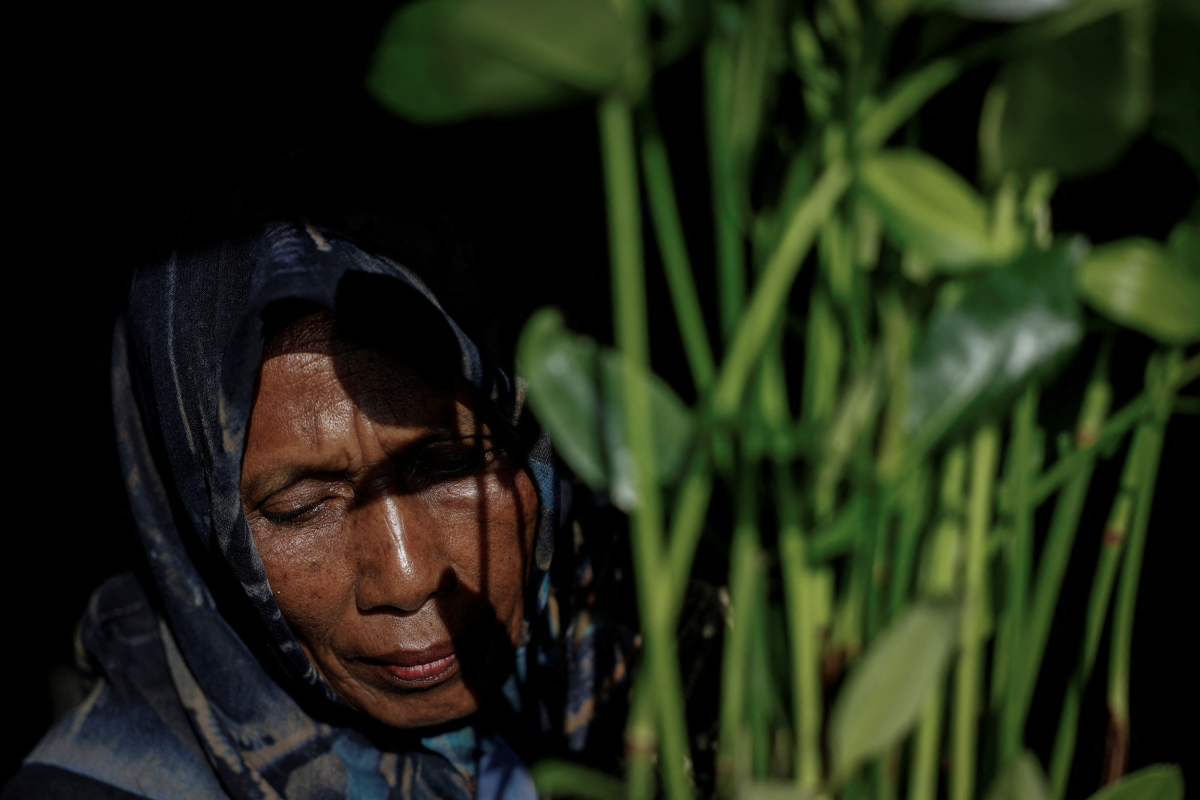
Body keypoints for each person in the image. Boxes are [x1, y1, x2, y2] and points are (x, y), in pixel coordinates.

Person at [3, 171, 640, 799]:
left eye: (450, 466)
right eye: (302, 508)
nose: (407, 577)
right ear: (204, 536)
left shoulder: (656, 681)